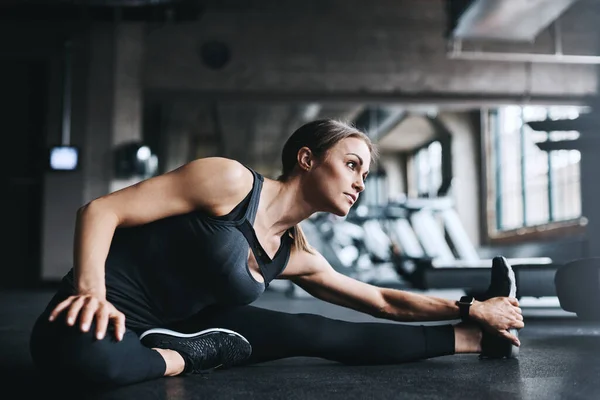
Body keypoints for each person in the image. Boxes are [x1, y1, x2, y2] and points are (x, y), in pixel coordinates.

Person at [29, 119, 524, 389]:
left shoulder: (293, 255)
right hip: (98, 311)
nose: (359, 182)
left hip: (180, 322)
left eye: (366, 174)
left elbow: (382, 301)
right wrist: (92, 292)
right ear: (307, 159)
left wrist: (473, 309)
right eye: (351, 165)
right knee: (89, 368)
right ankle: (193, 355)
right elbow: (100, 211)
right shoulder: (229, 182)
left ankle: (477, 342)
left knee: (313, 330)